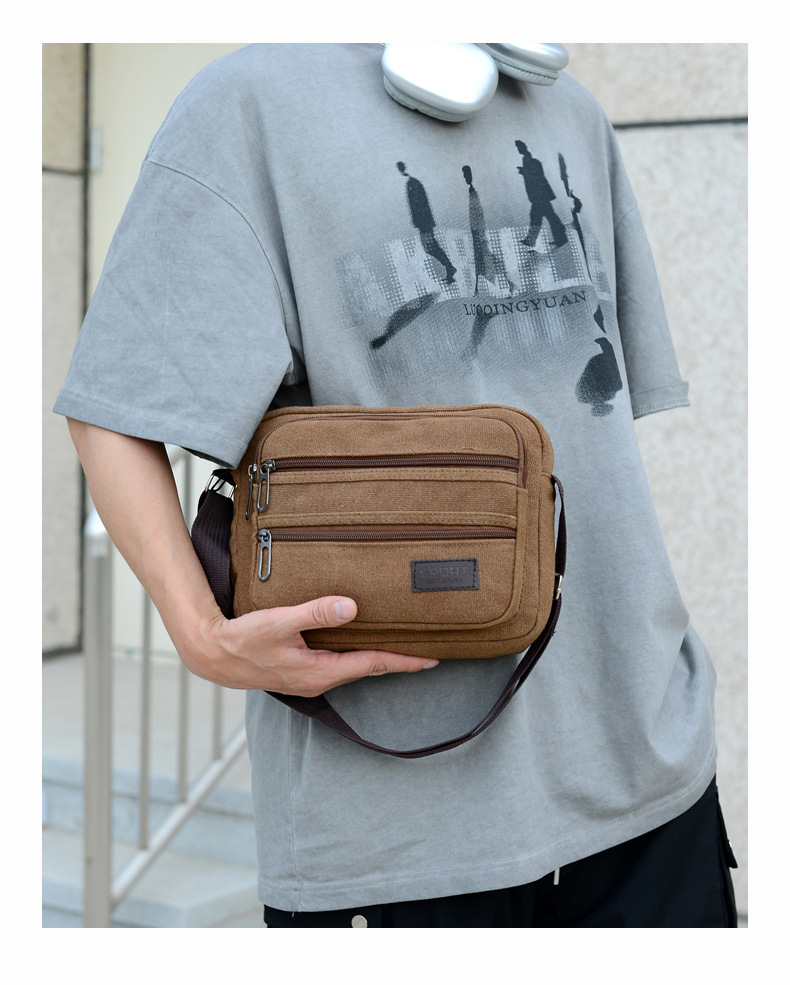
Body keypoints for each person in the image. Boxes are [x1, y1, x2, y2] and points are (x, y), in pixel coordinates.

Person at [54, 43, 737, 927]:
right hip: (393, 824)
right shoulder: (250, 104)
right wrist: (200, 633)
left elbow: (595, 422)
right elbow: (114, 406)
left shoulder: (569, 109)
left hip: (647, 767)